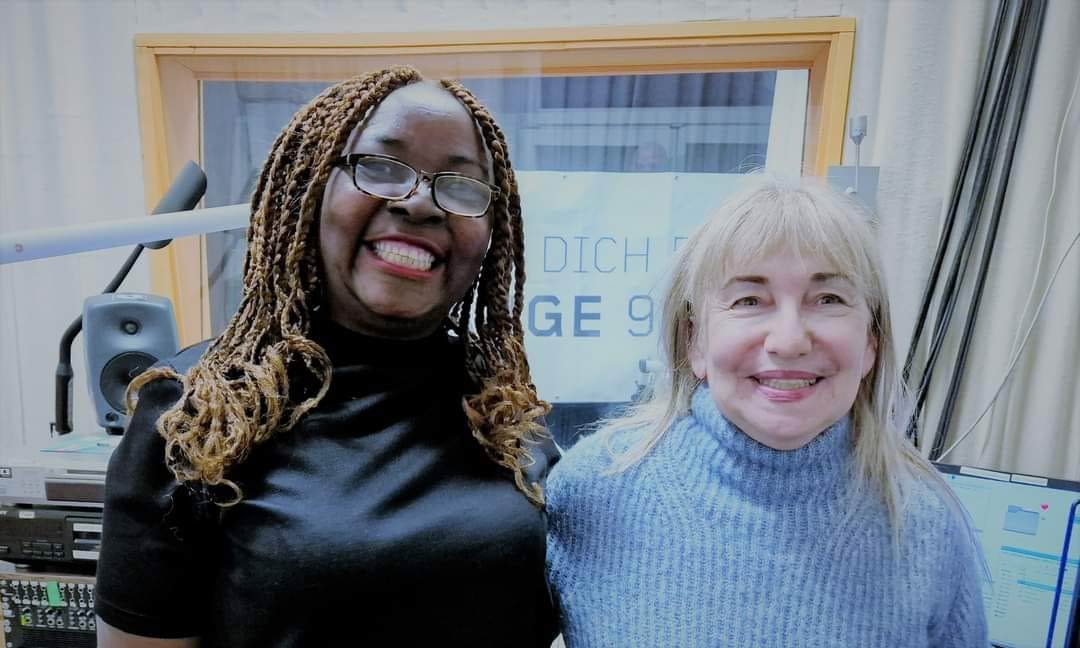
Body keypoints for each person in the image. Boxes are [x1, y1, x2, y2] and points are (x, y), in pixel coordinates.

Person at [95, 66, 559, 647]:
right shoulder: (200, 413)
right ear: (309, 189)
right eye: (382, 167)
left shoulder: (504, 416)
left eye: (461, 185)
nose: (420, 203)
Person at [545, 180, 989, 647]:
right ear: (695, 342)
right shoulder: (590, 492)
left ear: (870, 345)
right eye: (749, 301)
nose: (789, 340)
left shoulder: (927, 525)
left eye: (829, 299)